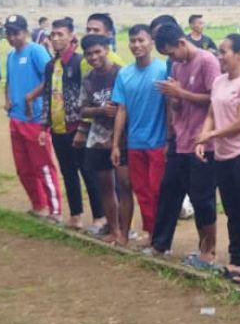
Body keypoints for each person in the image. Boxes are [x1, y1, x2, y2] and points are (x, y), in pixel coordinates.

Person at [196, 34, 240, 284]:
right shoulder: (219, 82)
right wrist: (205, 136)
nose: (219, 56)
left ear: (239, 54)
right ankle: (236, 260)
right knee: (232, 211)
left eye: (224, 51)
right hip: (223, 155)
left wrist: (210, 134)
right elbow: (212, 112)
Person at [150, 21, 220, 269]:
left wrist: (182, 94)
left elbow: (215, 99)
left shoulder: (208, 61)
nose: (171, 58)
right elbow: (179, 105)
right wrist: (174, 98)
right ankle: (160, 244)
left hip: (204, 142)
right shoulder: (178, 66)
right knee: (169, 190)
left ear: (181, 42)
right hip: (181, 140)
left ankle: (208, 251)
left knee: (203, 198)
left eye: (171, 52)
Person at [34, 18, 101, 230]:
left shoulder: (80, 62)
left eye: (60, 34)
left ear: (71, 36)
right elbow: (47, 96)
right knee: (68, 172)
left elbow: (87, 96)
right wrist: (44, 127)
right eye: (53, 35)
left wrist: (83, 127)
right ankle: (76, 215)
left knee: (87, 171)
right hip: (57, 127)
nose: (56, 39)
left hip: (76, 127)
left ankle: (100, 216)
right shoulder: (50, 66)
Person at [111, 24, 169, 243]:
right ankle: (152, 235)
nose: (137, 45)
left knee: (157, 191)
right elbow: (121, 109)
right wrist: (116, 144)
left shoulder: (163, 70)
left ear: (152, 43)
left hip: (158, 142)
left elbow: (169, 106)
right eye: (133, 41)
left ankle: (162, 239)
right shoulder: (124, 74)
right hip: (135, 143)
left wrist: (169, 139)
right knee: (142, 192)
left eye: (141, 40)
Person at [3, 15, 61, 219]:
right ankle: (38, 205)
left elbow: (51, 79)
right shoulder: (10, 55)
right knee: (23, 167)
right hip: (16, 118)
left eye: (16, 33)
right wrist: (8, 98)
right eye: (9, 33)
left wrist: (31, 96)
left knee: (42, 166)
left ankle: (55, 210)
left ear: (25, 32)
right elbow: (9, 80)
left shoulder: (36, 51)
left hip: (35, 119)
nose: (12, 37)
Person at [79, 34, 132, 245]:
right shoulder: (88, 79)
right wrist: (101, 110)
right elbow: (82, 109)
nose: (94, 57)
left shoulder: (122, 74)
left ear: (107, 49)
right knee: (105, 188)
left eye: (98, 51)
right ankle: (114, 230)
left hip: (124, 139)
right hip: (99, 139)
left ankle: (126, 232)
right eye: (89, 53)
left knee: (125, 185)